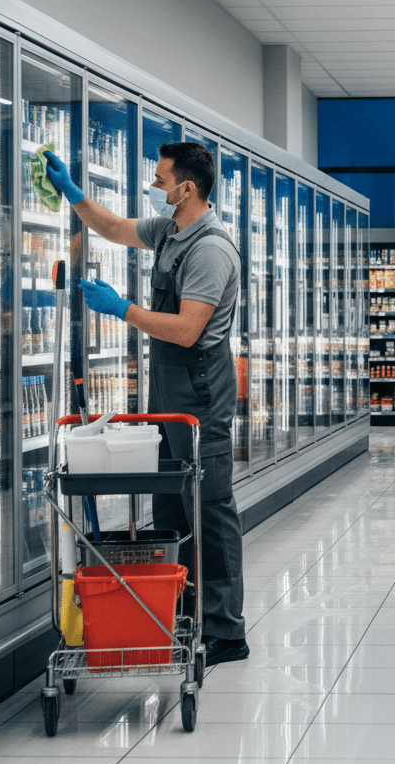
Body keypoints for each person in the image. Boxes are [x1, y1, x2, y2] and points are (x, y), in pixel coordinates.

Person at [44, 142, 248, 668]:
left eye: (161, 181)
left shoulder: (210, 249)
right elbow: (115, 228)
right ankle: (181, 609)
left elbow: (186, 329)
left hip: (200, 388)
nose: (154, 188)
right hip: (168, 386)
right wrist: (73, 194)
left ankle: (226, 630)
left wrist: (122, 309)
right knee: (171, 502)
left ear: (187, 188)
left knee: (210, 505)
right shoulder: (171, 231)